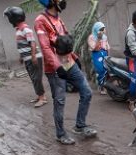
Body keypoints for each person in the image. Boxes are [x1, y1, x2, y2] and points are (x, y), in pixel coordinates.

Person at [35, 0, 97, 145]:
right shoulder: (40, 21)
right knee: (60, 101)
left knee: (87, 92)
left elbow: (66, 41)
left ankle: (80, 125)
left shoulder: (59, 19)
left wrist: (75, 58)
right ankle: (61, 134)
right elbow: (45, 48)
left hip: (69, 63)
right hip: (55, 69)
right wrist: (57, 67)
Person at [3, 6, 47, 108]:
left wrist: (33, 57)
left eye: (9, 17)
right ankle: (39, 95)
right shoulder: (19, 29)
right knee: (33, 78)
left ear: (14, 18)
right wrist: (21, 56)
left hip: (34, 58)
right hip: (28, 58)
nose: (9, 20)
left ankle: (42, 98)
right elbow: (21, 45)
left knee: (36, 78)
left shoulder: (25, 28)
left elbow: (32, 43)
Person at [88, 22, 110, 95]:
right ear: (96, 29)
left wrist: (108, 56)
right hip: (97, 55)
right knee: (101, 70)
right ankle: (102, 87)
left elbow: (107, 47)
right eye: (101, 29)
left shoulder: (105, 37)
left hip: (105, 54)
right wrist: (98, 38)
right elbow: (96, 49)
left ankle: (107, 86)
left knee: (107, 70)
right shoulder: (91, 37)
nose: (103, 31)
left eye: (103, 29)